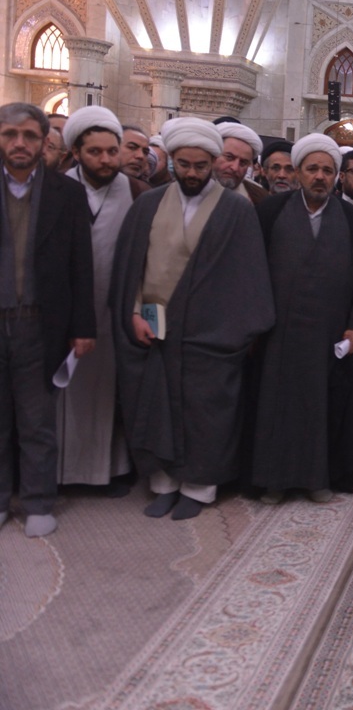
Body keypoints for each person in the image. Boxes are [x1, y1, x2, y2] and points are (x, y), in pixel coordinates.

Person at [110, 117, 275, 521]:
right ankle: (163, 485)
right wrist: (134, 313)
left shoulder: (236, 209)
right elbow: (131, 267)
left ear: (214, 162)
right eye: (184, 164)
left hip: (211, 333)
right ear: (172, 161)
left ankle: (198, 489)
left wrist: (234, 333)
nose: (192, 173)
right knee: (156, 408)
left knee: (206, 414)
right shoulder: (149, 203)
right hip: (154, 325)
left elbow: (249, 276)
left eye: (201, 166)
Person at [252, 134, 353, 503]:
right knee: (276, 407)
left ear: (336, 176)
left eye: (327, 170)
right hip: (279, 332)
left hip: (330, 334)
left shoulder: (350, 218)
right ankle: (273, 480)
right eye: (312, 169)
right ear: (298, 172)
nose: (320, 177)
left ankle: (316, 478)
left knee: (322, 408)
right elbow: (253, 271)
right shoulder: (272, 211)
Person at [0, 103, 95, 536]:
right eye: (10, 134)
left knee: (37, 420)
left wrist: (83, 328)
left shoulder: (66, 194)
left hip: (40, 324)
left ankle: (38, 501)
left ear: (44, 142)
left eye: (29, 136)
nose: (19, 143)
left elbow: (81, 265)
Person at [57, 106, 148, 492]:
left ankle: (112, 471)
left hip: (118, 314)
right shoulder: (57, 188)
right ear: (76, 152)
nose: (106, 160)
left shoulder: (137, 192)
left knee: (113, 392)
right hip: (67, 315)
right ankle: (64, 473)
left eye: (112, 151)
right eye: (95, 152)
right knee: (67, 394)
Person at [215, 121, 269, 205]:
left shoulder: (258, 197)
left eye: (243, 162)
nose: (235, 168)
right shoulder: (194, 187)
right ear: (214, 154)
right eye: (229, 157)